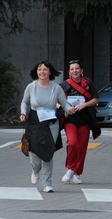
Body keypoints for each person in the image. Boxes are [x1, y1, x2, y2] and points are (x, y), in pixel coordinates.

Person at [20, 60, 76, 193]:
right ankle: (35, 170)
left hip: (51, 122)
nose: (42, 72)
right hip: (34, 121)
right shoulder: (31, 87)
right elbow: (25, 102)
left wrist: (70, 110)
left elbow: (64, 104)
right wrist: (23, 113)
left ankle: (47, 183)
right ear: (37, 72)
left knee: (48, 152)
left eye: (45, 69)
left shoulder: (56, 88)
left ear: (50, 72)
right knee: (34, 153)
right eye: (40, 69)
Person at [59, 60, 101, 184]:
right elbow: (56, 101)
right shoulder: (64, 85)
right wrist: (65, 109)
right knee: (72, 143)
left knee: (82, 148)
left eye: (77, 68)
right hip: (70, 120)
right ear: (69, 72)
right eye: (72, 69)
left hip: (85, 119)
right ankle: (70, 168)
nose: (75, 71)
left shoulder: (88, 83)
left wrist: (84, 105)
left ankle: (77, 173)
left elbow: (95, 99)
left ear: (81, 70)